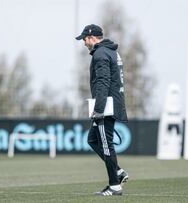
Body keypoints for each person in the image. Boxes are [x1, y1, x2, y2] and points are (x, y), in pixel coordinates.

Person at [75, 24, 129, 196]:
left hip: (106, 107)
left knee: (106, 145)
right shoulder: (110, 51)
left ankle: (115, 186)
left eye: (84, 39)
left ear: (92, 37)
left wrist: (98, 109)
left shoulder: (100, 54)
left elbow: (103, 82)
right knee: (92, 139)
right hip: (112, 103)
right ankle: (118, 172)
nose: (84, 42)